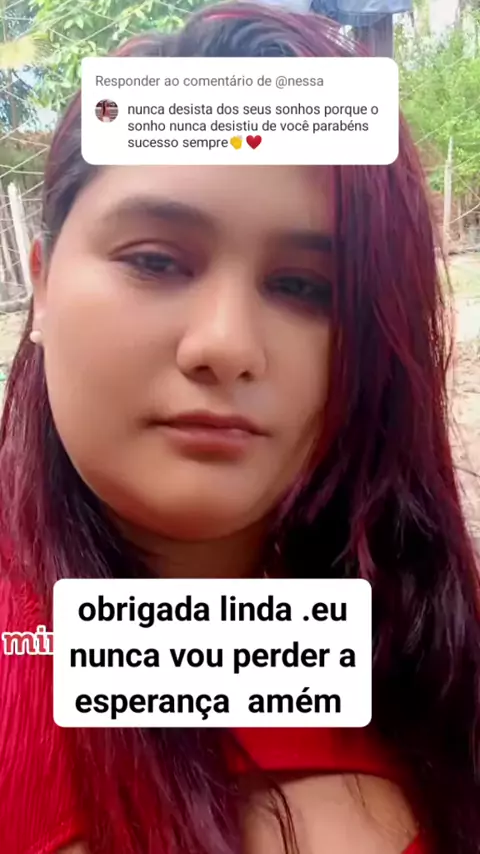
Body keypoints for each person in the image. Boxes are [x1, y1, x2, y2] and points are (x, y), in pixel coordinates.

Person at [0, 3, 479, 854]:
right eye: (155, 260)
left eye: (304, 287)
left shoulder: (431, 655)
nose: (225, 345)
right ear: (40, 287)